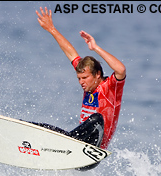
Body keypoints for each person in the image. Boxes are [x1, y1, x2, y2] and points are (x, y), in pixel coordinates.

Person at [35, 7, 126, 155]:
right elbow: (70, 53)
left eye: (85, 78)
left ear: (97, 75)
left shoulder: (110, 86)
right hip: (77, 144)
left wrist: (95, 47)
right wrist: (51, 29)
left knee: (97, 119)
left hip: (93, 150)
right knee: (43, 128)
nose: (81, 82)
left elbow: (121, 70)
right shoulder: (87, 78)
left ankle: (65, 146)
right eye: (79, 79)